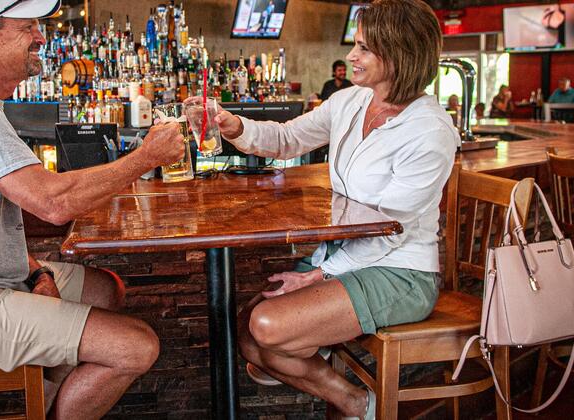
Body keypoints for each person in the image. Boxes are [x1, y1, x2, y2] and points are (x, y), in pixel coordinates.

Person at [0, 1, 185, 418]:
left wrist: (37, 272)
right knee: (137, 345)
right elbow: (53, 203)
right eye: (28, 28)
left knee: (105, 288)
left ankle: (43, 403)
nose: (42, 38)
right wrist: (146, 157)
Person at [187, 0, 457, 418]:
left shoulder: (430, 131)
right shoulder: (351, 101)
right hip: (343, 256)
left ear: (399, 53)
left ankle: (349, 391)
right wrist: (232, 125)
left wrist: (319, 275)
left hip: (401, 270)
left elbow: (391, 229)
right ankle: (357, 401)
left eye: (365, 48)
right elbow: (286, 139)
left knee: (266, 327)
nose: (352, 55)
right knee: (247, 330)